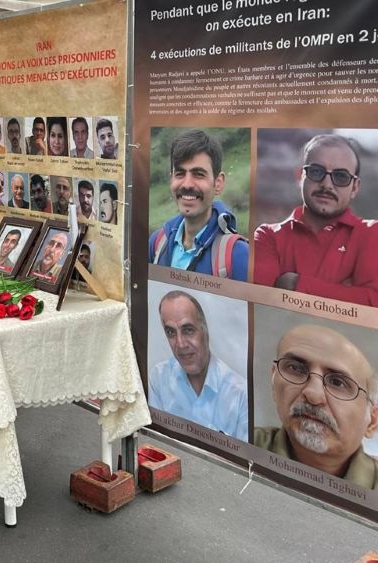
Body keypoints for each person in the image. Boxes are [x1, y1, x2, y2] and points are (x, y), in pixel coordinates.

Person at [253, 134, 378, 306]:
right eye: (316, 171)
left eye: (341, 176)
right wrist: (344, 292)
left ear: (355, 187)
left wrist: (294, 283)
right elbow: (260, 301)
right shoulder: (268, 236)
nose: (327, 184)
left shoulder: (372, 233)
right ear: (299, 176)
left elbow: (373, 302)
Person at [254, 325, 377, 489]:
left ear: (372, 422)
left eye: (337, 383)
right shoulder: (242, 440)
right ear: (273, 381)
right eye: (296, 369)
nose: (312, 394)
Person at [148, 129, 249, 281]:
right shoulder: (157, 242)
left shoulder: (238, 255)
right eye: (180, 174)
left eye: (199, 174)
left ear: (218, 183)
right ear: (171, 179)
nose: (187, 184)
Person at [149, 291, 248, 440]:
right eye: (171, 333)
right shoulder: (158, 377)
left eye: (188, 330)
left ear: (205, 330)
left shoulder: (240, 393)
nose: (180, 344)